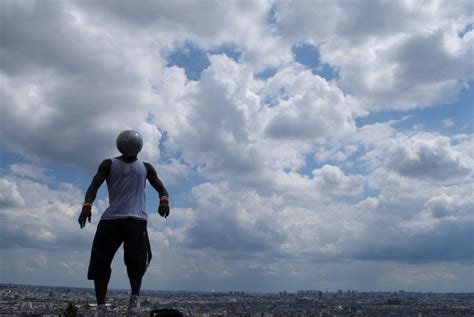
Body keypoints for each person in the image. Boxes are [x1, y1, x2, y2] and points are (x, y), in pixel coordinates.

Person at [78, 130, 169, 315]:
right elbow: (94, 185)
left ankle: (133, 300)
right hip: (114, 218)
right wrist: (87, 205)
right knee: (101, 262)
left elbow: (161, 188)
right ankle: (101, 306)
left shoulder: (145, 167)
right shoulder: (110, 164)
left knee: (136, 261)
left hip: (134, 218)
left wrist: (164, 200)